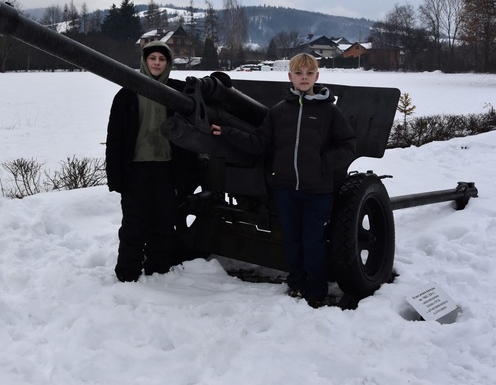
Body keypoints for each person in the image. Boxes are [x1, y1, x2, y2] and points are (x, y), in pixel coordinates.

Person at [211, 53, 356, 307]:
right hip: (287, 189)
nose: (303, 78)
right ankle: (297, 284)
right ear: (290, 77)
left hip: (317, 191)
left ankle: (317, 289)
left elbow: (348, 145)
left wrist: (323, 165)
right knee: (291, 239)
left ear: (317, 77)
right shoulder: (280, 111)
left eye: (309, 74)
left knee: (313, 241)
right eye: (298, 73)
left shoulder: (329, 112)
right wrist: (226, 132)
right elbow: (259, 142)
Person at [105, 40, 195, 282]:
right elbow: (115, 138)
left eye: (162, 59)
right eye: (152, 58)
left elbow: (202, 101)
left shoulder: (177, 92)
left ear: (168, 63)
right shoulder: (126, 94)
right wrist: (115, 176)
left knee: (164, 221)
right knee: (134, 223)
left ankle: (158, 268)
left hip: (167, 168)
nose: (157, 63)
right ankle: (127, 271)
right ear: (144, 61)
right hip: (136, 169)